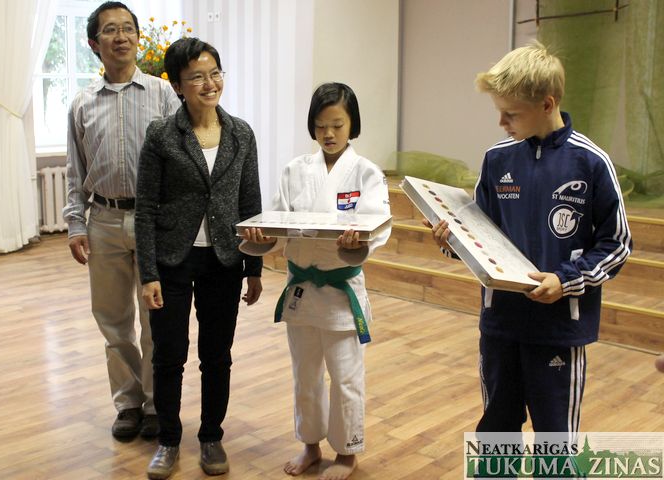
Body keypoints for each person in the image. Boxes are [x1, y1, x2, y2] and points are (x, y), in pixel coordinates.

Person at [428, 42, 632, 434]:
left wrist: (566, 280)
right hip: (500, 325)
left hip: (558, 329)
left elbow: (617, 244)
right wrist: (453, 241)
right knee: (497, 430)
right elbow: (482, 235)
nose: (501, 122)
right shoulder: (497, 159)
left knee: (555, 437)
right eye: (499, 112)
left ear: (547, 104)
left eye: (511, 114)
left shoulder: (591, 162)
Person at [240, 82, 391, 480]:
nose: (328, 133)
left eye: (337, 125)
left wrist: (358, 242)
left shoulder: (367, 173)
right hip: (302, 288)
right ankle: (309, 444)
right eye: (321, 126)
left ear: (352, 125)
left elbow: (377, 228)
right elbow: (279, 225)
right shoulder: (295, 170)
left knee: (345, 376)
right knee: (305, 374)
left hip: (340, 291)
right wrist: (262, 237)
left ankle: (346, 452)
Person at [135, 37, 263, 479]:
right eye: (197, 77)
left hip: (224, 261)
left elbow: (250, 204)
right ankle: (168, 440)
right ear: (177, 85)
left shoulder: (241, 133)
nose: (210, 84)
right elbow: (145, 208)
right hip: (173, 259)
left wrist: (254, 268)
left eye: (215, 74)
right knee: (169, 355)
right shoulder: (161, 135)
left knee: (217, 355)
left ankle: (211, 437)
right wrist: (148, 273)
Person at [63, 1, 180, 441]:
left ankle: (154, 404)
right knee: (113, 321)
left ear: (138, 38)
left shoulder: (163, 95)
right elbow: (75, 170)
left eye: (128, 28)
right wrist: (76, 224)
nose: (121, 37)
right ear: (94, 43)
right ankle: (128, 403)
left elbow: (180, 160)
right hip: (104, 220)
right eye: (110, 30)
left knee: (155, 320)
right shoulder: (82, 104)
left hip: (154, 222)